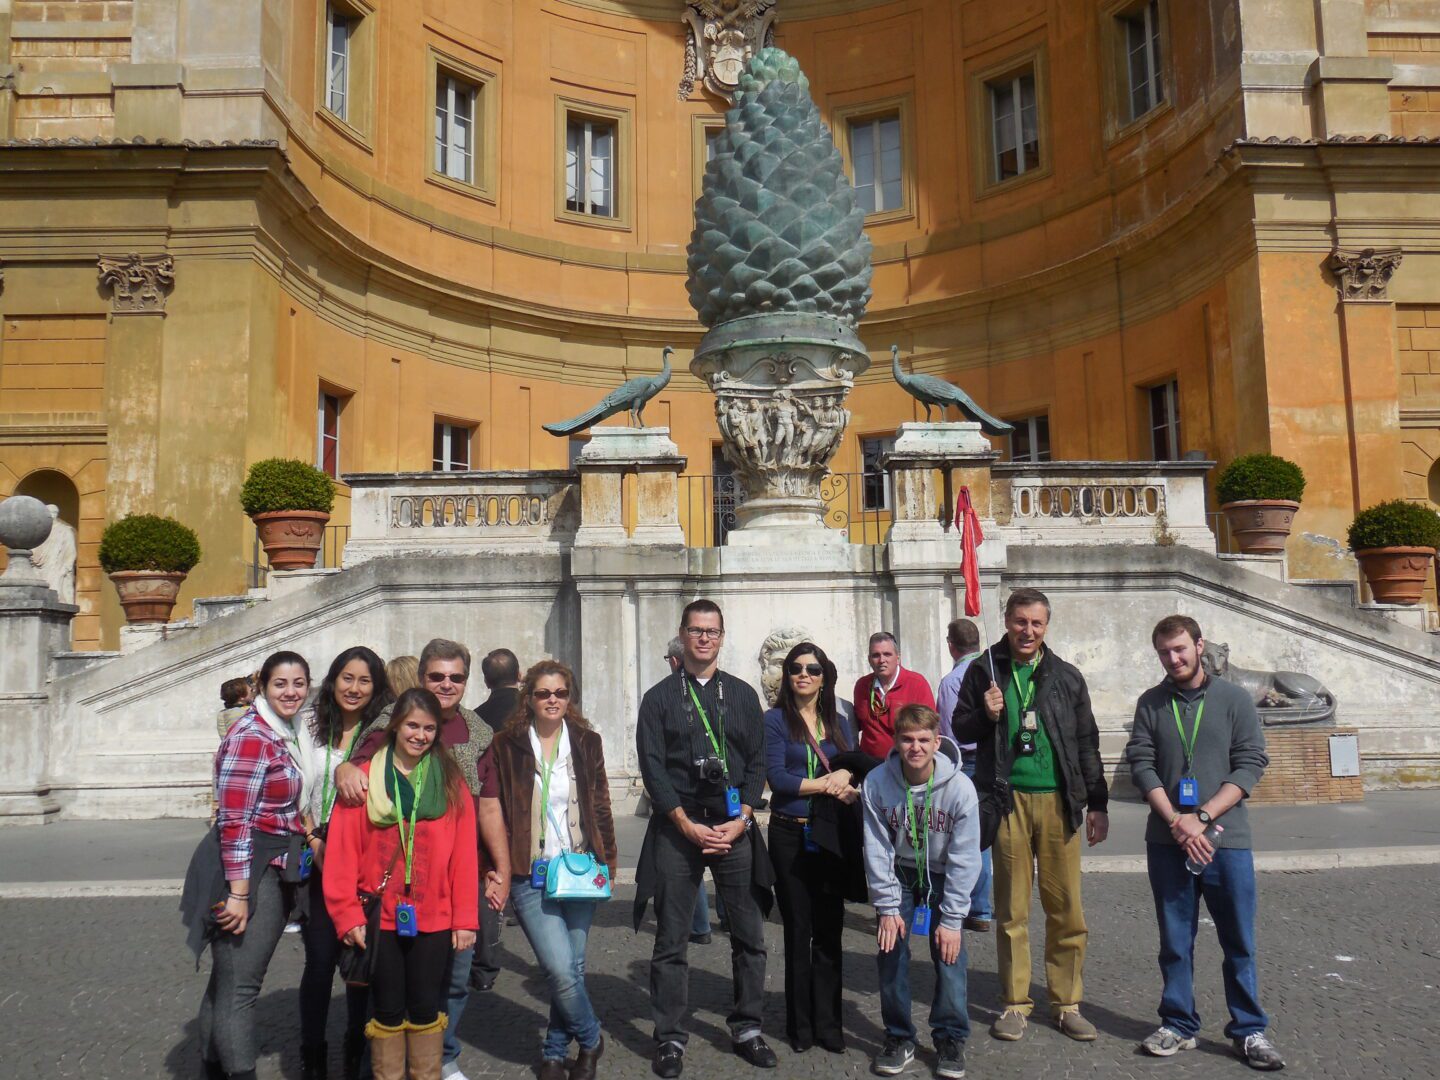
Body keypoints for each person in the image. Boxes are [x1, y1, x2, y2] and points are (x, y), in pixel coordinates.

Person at [333, 639, 505, 1080]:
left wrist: (466, 917)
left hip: (435, 914)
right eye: (411, 726)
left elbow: (463, 857)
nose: (420, 735)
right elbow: (342, 852)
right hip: (381, 914)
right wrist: (346, 913)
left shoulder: (449, 779)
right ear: (395, 727)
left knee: (428, 1007)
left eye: (428, 729)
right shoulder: (367, 775)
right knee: (387, 1010)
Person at [1125, 615, 1283, 1070]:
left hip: (1226, 840)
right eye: (1164, 653)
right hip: (1168, 837)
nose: (1173, 659)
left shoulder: (1234, 699)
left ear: (1199, 646)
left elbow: (1250, 764)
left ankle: (1249, 1030)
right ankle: (1178, 1023)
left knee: (1239, 940)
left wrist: (1203, 816)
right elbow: (1142, 765)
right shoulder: (1151, 703)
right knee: (1175, 940)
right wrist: (1177, 819)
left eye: (1180, 649)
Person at [953, 587, 1109, 1043]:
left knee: (1066, 909)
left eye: (1037, 623)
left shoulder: (1066, 676)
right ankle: (1015, 1003)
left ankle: (1066, 1002)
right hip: (1008, 800)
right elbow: (960, 728)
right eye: (1021, 621)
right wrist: (984, 713)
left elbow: (1086, 742)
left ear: (1046, 626)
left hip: (1059, 801)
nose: (1028, 630)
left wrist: (1096, 800)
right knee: (1011, 911)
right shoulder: (985, 669)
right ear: (1007, 620)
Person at [634, 599, 777, 1078]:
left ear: (722, 636)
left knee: (749, 935)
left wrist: (745, 819)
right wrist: (681, 821)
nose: (703, 639)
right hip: (681, 827)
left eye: (711, 632)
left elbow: (757, 761)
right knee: (671, 939)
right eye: (695, 630)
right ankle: (670, 1037)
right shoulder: (657, 698)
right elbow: (653, 766)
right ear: (683, 634)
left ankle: (748, 1027)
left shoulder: (740, 695)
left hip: (734, 827)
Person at [479, 660, 617, 1080]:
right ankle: (592, 1039)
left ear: (569, 697)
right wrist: (496, 867)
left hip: (578, 868)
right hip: (529, 871)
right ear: (530, 698)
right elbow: (494, 809)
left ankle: (556, 1051)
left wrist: (608, 861)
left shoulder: (587, 741)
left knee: (571, 969)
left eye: (560, 693)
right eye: (544, 693)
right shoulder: (506, 744)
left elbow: (600, 804)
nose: (553, 700)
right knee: (558, 968)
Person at [188, 651, 312, 1080]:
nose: (291, 692)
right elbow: (235, 821)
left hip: (272, 858)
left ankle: (210, 1071)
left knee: (227, 982)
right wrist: (239, 894)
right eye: (281, 684)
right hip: (246, 866)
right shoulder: (252, 735)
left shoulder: (288, 731)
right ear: (262, 687)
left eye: (299, 683)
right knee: (241, 986)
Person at [861, 704, 980, 1079]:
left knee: (949, 956)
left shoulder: (960, 788)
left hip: (943, 876)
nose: (916, 747)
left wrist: (953, 918)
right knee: (889, 949)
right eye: (908, 739)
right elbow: (876, 846)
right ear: (896, 742)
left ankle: (950, 1037)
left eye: (924, 740)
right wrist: (886, 906)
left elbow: (966, 858)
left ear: (937, 742)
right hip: (899, 872)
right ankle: (899, 1036)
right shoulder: (877, 783)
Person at [294, 646, 394, 1080]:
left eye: (364, 680)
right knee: (319, 960)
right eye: (347, 678)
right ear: (333, 680)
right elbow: (294, 790)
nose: (354, 688)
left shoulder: (381, 733)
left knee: (360, 959)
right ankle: (312, 1052)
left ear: (376, 687)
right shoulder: (310, 728)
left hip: (365, 856)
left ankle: (357, 1045)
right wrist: (314, 838)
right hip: (319, 845)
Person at [763, 641, 859, 1054]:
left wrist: (847, 779)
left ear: (825, 677)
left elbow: (853, 765)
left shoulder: (840, 720)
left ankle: (829, 1023)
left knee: (830, 930)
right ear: (786, 676)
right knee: (797, 929)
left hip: (829, 832)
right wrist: (827, 783)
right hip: (788, 832)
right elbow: (777, 778)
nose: (804, 674)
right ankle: (799, 1025)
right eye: (796, 668)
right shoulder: (773, 721)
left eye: (813, 669)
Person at [468, 648, 521, 991]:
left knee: (489, 875)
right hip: (527, 804)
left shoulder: (476, 718)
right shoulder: (534, 712)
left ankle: (484, 967)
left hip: (490, 804)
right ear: (520, 674)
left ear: (486, 680)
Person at [935, 618, 993, 933]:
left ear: (951, 645)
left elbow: (948, 732)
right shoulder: (992, 674)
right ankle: (983, 908)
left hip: (966, 762)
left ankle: (975, 905)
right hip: (993, 759)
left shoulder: (952, 680)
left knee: (970, 836)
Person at [666, 635, 723, 945]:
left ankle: (700, 925)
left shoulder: (723, 692)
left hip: (693, 794)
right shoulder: (667, 696)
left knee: (694, 862)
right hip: (711, 794)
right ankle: (721, 917)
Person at [854, 632, 936, 760]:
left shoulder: (917, 684)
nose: (882, 660)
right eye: (876, 655)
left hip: (905, 764)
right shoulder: (862, 685)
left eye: (887, 654)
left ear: (898, 657)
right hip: (869, 766)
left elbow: (931, 728)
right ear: (869, 659)